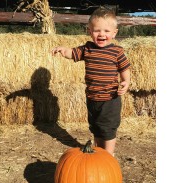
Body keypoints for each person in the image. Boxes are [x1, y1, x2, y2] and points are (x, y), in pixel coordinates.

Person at [51, 7, 131, 156]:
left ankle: (109, 156)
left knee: (108, 128)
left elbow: (124, 68)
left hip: (110, 99)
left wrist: (126, 81)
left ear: (114, 33)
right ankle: (99, 151)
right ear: (90, 31)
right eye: (97, 30)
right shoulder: (87, 48)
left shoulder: (117, 52)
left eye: (106, 31)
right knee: (95, 127)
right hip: (92, 98)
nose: (101, 34)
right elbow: (72, 53)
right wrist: (63, 50)